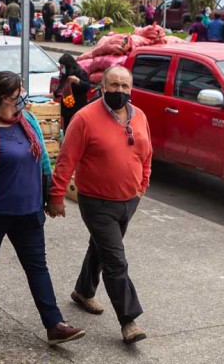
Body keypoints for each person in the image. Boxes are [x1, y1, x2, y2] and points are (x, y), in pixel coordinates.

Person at [0, 71, 86, 345]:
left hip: (28, 212)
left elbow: (43, 162)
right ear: (4, 99)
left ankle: (54, 324)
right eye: (19, 95)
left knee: (37, 267)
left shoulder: (27, 120)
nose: (23, 98)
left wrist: (52, 196)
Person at [49, 65, 152, 345]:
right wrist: (56, 196)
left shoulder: (139, 116)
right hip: (96, 202)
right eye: (114, 86)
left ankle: (83, 291)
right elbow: (66, 160)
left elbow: (146, 154)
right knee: (116, 260)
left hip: (128, 200)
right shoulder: (84, 119)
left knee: (101, 248)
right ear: (102, 88)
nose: (120, 91)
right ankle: (128, 320)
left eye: (125, 86)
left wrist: (142, 186)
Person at [55, 54, 92, 128]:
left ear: (68, 65)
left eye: (62, 66)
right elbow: (59, 90)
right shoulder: (64, 75)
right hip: (67, 108)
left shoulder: (79, 73)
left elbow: (87, 86)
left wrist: (77, 81)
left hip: (78, 108)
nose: (61, 68)